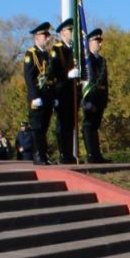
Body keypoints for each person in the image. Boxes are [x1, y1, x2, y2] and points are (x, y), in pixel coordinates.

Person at [23, 21, 55, 165]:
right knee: (37, 127)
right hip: (37, 97)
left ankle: (44, 155)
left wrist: (54, 96)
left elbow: (51, 77)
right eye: (45, 35)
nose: (47, 38)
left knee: (44, 127)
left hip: (47, 96)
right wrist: (34, 96)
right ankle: (38, 155)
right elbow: (29, 77)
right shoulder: (31, 54)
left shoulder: (47, 55)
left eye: (48, 35)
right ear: (37, 37)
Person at [50, 18, 80, 163]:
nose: (71, 33)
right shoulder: (57, 50)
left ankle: (69, 153)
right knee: (62, 125)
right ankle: (63, 154)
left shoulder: (74, 49)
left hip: (73, 92)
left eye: (71, 30)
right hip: (61, 92)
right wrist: (66, 74)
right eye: (69, 30)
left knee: (70, 124)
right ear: (62, 33)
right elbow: (53, 72)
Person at [81, 28, 111, 163]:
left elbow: (104, 81)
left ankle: (97, 154)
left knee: (95, 126)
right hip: (90, 98)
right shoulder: (86, 60)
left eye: (100, 41)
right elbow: (85, 81)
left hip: (99, 99)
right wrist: (86, 100)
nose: (100, 44)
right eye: (97, 40)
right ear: (89, 42)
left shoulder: (102, 60)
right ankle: (91, 155)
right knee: (88, 125)